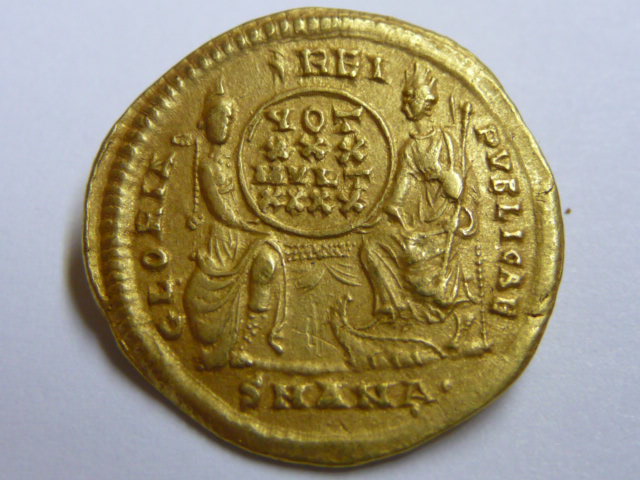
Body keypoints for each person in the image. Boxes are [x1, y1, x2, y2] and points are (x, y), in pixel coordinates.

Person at [360, 63, 478, 326]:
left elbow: (462, 191)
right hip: (417, 226)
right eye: (405, 98)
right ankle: (394, 308)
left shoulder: (448, 142)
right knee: (372, 244)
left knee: (420, 270)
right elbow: (399, 195)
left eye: (409, 98)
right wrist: (380, 215)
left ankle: (429, 309)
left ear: (424, 102)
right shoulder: (412, 148)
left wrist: (440, 174)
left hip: (444, 227)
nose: (404, 105)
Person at [180, 83, 287, 370]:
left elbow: (244, 203)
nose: (225, 123)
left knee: (267, 260)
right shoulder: (207, 167)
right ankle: (216, 349)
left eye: (229, 118)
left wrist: (257, 222)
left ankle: (244, 346)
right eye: (220, 117)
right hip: (222, 239)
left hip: (240, 234)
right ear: (206, 121)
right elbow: (222, 212)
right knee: (199, 300)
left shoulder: (232, 162)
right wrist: (249, 227)